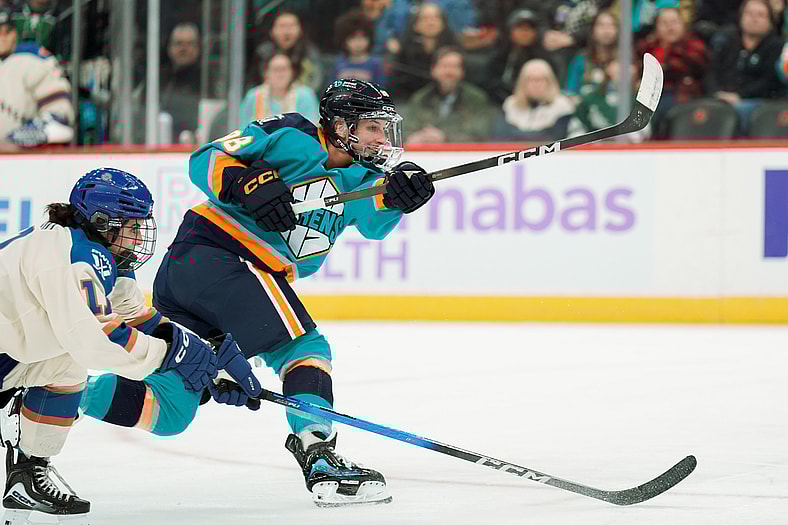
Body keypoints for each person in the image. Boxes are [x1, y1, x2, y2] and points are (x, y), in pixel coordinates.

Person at [77, 79, 435, 507]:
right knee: (302, 347)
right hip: (217, 253)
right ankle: (318, 453)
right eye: (374, 127)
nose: (383, 139)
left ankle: (56, 390)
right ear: (341, 125)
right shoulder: (291, 133)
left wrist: (403, 193)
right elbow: (204, 158)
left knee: (171, 409)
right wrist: (245, 181)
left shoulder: (364, 177)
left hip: (200, 277)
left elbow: (376, 220)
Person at [0, 167, 260, 522]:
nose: (139, 239)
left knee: (66, 363)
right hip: (9, 357)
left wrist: (205, 354)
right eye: (133, 227)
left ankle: (25, 475)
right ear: (104, 220)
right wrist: (175, 356)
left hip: (9, 356)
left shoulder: (96, 251)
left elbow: (136, 316)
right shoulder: (75, 259)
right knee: (73, 358)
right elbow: (100, 339)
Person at [0, 6, 74, 148]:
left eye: (7, 32)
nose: (2, 38)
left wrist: (50, 123)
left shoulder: (31, 59)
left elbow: (59, 117)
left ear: (15, 33)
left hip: (23, 157)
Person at [403, 46, 494, 144]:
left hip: (463, 155)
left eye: (454, 67)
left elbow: (480, 134)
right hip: (426, 154)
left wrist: (446, 138)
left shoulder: (476, 99)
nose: (449, 72)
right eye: (444, 66)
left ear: (462, 72)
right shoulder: (421, 98)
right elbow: (406, 130)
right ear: (433, 70)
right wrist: (415, 137)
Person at [492, 58, 576, 141]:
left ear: (550, 82)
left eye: (541, 79)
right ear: (522, 83)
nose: (536, 84)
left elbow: (556, 137)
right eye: (531, 79)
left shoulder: (562, 105)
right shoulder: (510, 104)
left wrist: (517, 136)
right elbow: (500, 135)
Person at [240, 53, 320, 128]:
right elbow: (244, 130)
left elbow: (312, 129)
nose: (280, 74)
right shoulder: (253, 96)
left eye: (284, 69)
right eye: (275, 70)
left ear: (292, 73)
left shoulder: (306, 95)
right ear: (266, 73)